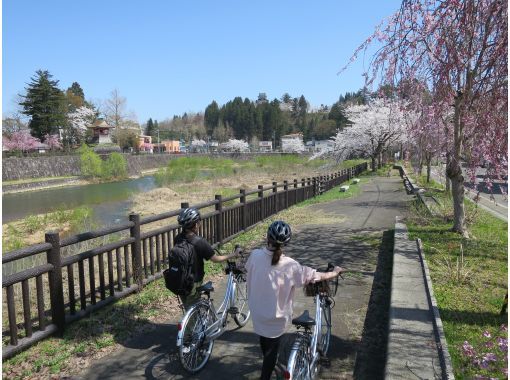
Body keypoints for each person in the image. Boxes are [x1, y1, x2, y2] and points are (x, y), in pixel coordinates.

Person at [245, 220, 344, 380]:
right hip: (276, 319)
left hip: (257, 313)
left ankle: (269, 366)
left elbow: (249, 269)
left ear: (267, 238)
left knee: (265, 344)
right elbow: (315, 276)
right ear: (286, 243)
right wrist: (335, 272)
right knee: (270, 354)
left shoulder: (255, 256)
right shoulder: (291, 266)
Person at [175, 207, 239, 309]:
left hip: (179, 279)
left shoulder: (178, 238)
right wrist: (233, 254)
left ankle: (188, 321)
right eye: (199, 221)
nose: (200, 224)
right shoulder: (199, 242)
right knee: (193, 309)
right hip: (193, 281)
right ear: (195, 224)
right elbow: (215, 259)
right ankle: (191, 324)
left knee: (187, 305)